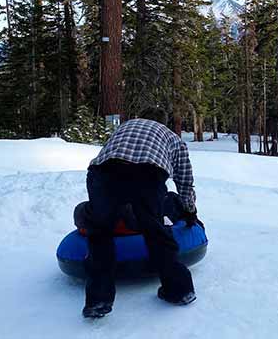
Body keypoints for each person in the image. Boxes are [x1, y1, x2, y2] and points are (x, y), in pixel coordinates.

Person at [81, 118, 201, 319]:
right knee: (155, 230)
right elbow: (185, 182)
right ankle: (179, 290)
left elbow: (106, 152)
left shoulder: (125, 126)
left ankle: (98, 300)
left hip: (104, 171)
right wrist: (190, 211)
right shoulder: (174, 139)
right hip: (149, 172)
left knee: (100, 233)